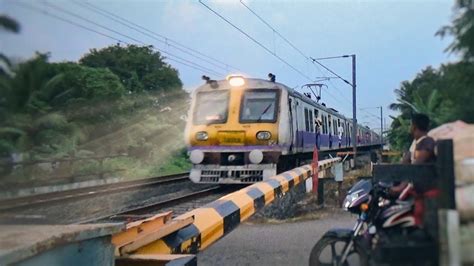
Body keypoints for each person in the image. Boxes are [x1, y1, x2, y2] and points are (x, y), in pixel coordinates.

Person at [392, 113, 436, 195]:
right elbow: (405, 161)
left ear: (414, 126)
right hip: (415, 186)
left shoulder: (427, 141)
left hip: (423, 189)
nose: (410, 127)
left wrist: (401, 186)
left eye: (410, 124)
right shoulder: (416, 142)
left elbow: (416, 166)